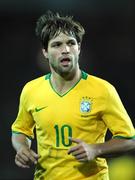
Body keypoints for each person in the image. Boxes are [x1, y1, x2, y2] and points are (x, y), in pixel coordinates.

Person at [11, 10, 135, 180]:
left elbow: (129, 140)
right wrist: (22, 148)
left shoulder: (103, 90)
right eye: (57, 45)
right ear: (45, 52)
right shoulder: (31, 90)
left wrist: (95, 149)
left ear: (79, 49)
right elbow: (20, 131)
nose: (66, 50)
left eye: (71, 43)